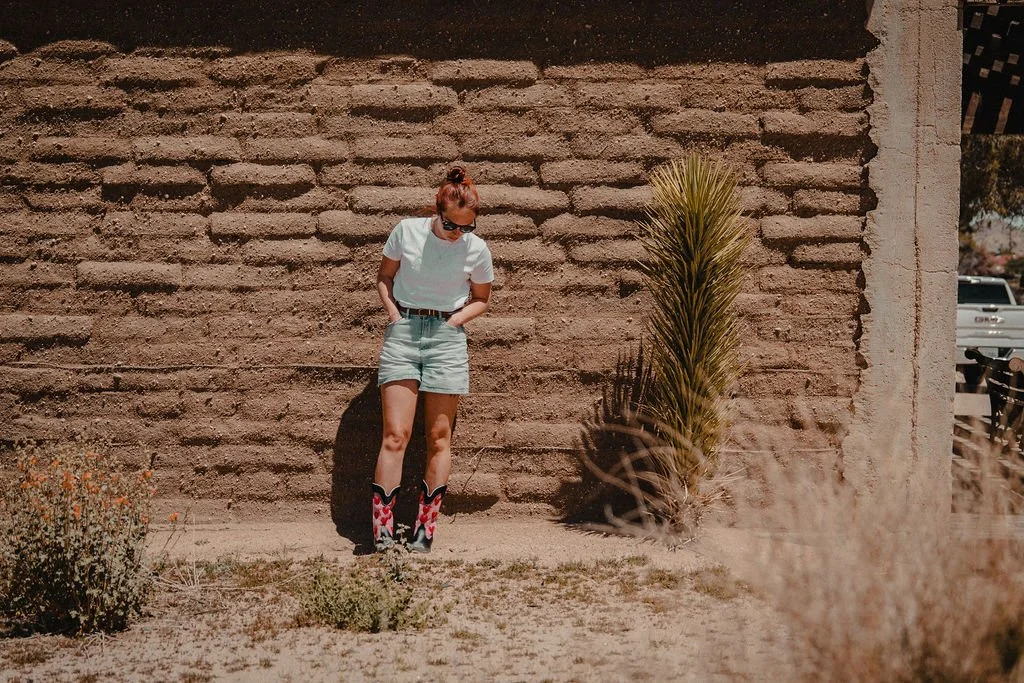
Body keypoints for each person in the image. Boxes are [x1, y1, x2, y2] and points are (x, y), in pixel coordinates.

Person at [371, 165, 493, 553]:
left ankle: (425, 531)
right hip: (404, 332)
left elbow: (482, 299)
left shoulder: (477, 249)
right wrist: (394, 316)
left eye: (467, 227)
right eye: (452, 225)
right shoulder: (406, 231)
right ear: (436, 212)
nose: (459, 234)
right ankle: (382, 533)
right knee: (395, 436)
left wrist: (454, 322)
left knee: (440, 438)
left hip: (446, 339)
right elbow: (384, 277)